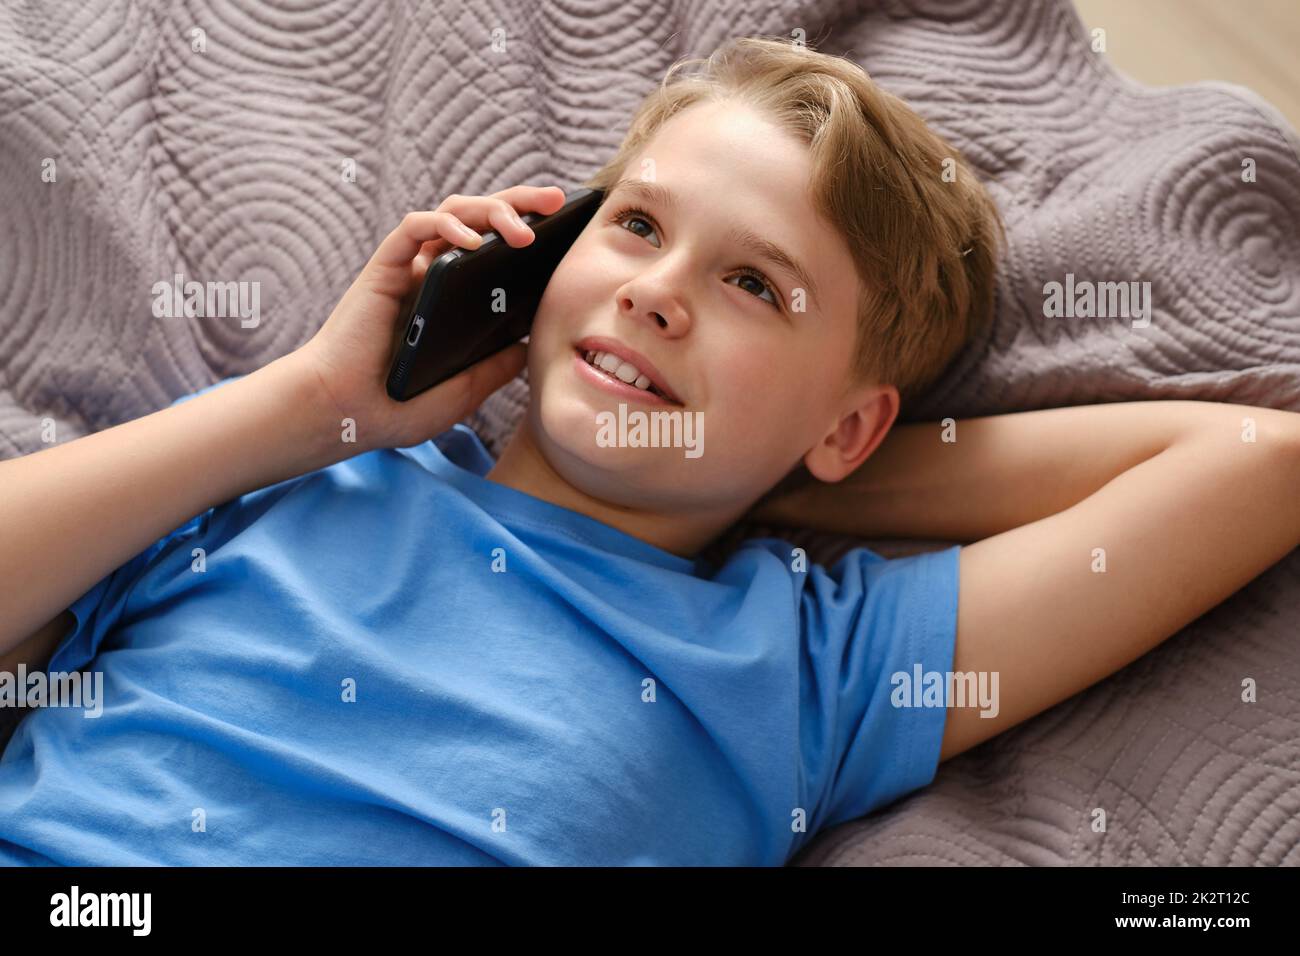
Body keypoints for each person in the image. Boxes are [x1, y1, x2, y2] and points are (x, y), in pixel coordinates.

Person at [1, 37, 1297, 866]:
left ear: (850, 423)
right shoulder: (289, 477)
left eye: (754, 285)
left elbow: (1254, 458)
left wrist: (779, 465)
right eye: (634, 228)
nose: (658, 292)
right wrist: (308, 405)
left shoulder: (804, 669)